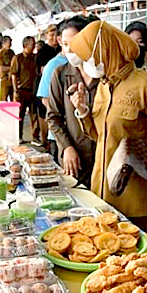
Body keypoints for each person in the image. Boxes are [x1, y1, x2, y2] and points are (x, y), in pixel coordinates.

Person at [68, 21, 147, 233]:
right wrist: (82, 110)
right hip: (102, 190)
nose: (86, 65)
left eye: (90, 57)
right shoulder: (103, 85)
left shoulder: (146, 84)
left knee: (136, 256)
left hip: (135, 194)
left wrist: (145, 155)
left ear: (105, 52)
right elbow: (99, 136)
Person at [45, 15, 97, 187]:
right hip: (74, 158)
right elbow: (53, 117)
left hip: (102, 156)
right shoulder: (60, 74)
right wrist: (66, 147)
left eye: (75, 44)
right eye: (66, 45)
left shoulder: (104, 76)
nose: (70, 50)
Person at [37, 20, 69, 160]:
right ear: (60, 40)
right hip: (60, 133)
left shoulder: (85, 64)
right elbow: (45, 99)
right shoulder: (54, 65)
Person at [10, 36, 40, 144]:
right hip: (21, 90)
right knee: (19, 115)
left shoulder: (34, 58)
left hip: (32, 90)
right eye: (31, 45)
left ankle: (35, 137)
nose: (33, 47)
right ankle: (18, 136)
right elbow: (13, 75)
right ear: (25, 45)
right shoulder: (17, 58)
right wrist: (15, 90)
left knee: (34, 114)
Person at [0, 36, 15, 101]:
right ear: (3, 43)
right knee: (3, 99)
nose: (9, 44)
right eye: (8, 42)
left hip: (11, 79)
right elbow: (1, 68)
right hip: (4, 79)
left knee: (13, 99)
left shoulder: (12, 53)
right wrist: (11, 68)